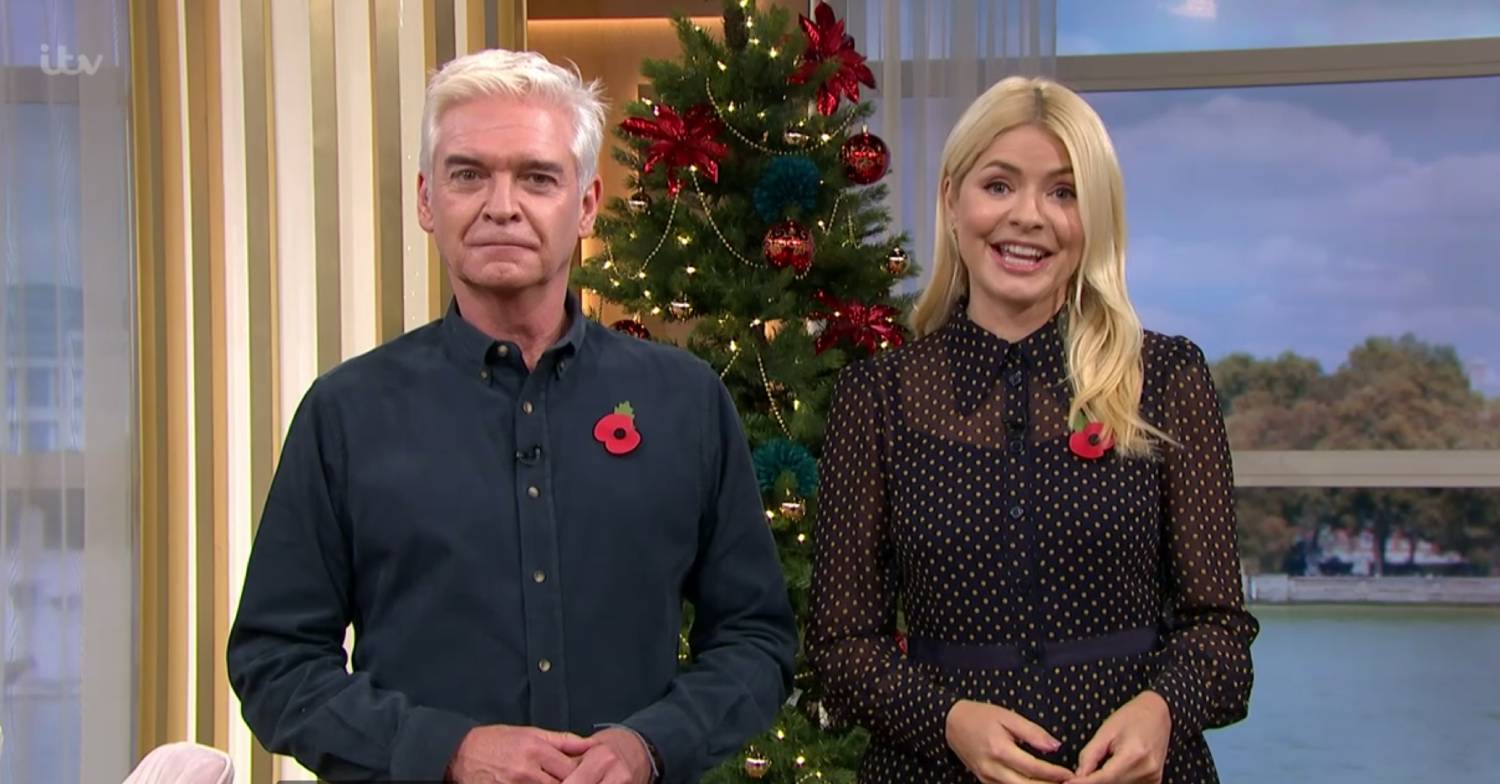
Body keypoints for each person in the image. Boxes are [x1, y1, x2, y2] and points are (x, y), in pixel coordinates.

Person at [228, 49, 796, 784]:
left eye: (536, 176)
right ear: (428, 200)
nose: (502, 205)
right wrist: (447, 751)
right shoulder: (345, 414)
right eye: (469, 175)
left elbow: (755, 640)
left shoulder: (685, 403)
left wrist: (651, 746)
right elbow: (275, 662)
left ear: (586, 203)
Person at [808, 76, 1258, 784]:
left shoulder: (1167, 379)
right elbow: (839, 649)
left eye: (1063, 192)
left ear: (1094, 219)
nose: (1029, 217)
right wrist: (948, 721)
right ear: (952, 200)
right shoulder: (877, 397)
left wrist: (1164, 709)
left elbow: (1224, 636)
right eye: (999, 186)